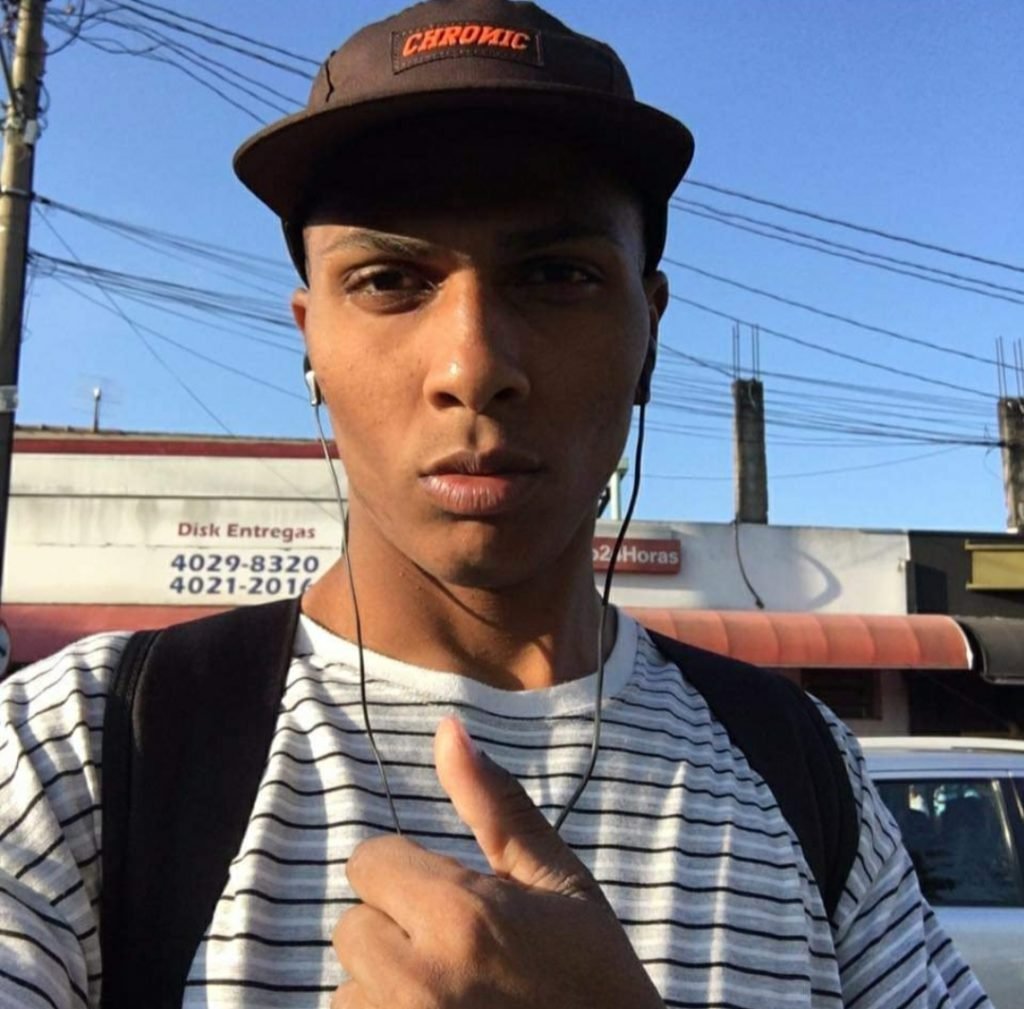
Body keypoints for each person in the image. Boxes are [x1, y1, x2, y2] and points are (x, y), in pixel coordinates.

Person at [0, 1, 993, 1007]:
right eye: (388, 280)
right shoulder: (75, 751)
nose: (472, 367)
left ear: (648, 331)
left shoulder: (802, 766)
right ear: (311, 341)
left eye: (556, 275)